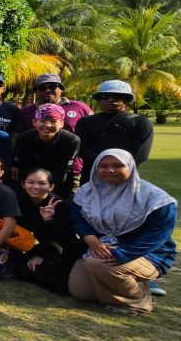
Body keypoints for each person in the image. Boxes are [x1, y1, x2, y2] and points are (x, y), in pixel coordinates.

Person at [68, 149, 177, 314]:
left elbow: (157, 236)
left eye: (117, 165)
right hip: (100, 248)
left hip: (145, 252)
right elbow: (78, 217)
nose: (109, 170)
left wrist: (122, 254)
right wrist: (92, 240)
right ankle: (125, 287)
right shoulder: (88, 191)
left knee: (97, 264)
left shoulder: (155, 199)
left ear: (131, 167)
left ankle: (137, 302)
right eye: (103, 166)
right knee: (80, 292)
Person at [12, 169, 83, 294]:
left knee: (55, 281)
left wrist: (49, 220)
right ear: (23, 184)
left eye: (42, 183)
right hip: (38, 247)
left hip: (61, 251)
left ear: (51, 186)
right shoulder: (21, 201)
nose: (36, 187)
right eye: (31, 182)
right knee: (20, 269)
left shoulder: (61, 206)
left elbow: (67, 239)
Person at [75, 80, 154, 185]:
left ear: (126, 99)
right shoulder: (85, 122)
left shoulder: (141, 122)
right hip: (92, 177)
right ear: (99, 99)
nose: (110, 100)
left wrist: (117, 167)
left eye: (116, 96)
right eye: (105, 96)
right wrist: (104, 166)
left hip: (126, 177)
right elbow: (81, 149)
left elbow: (141, 154)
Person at [12, 103, 81, 198]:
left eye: (53, 121)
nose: (47, 125)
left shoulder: (71, 141)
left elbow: (63, 171)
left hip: (59, 181)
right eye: (42, 121)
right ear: (34, 122)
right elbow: (23, 168)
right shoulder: (24, 138)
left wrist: (50, 196)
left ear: (61, 123)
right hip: (31, 180)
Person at [18, 73, 92, 134]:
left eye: (52, 87)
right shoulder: (25, 112)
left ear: (61, 89)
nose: (47, 90)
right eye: (42, 88)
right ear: (36, 92)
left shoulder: (79, 107)